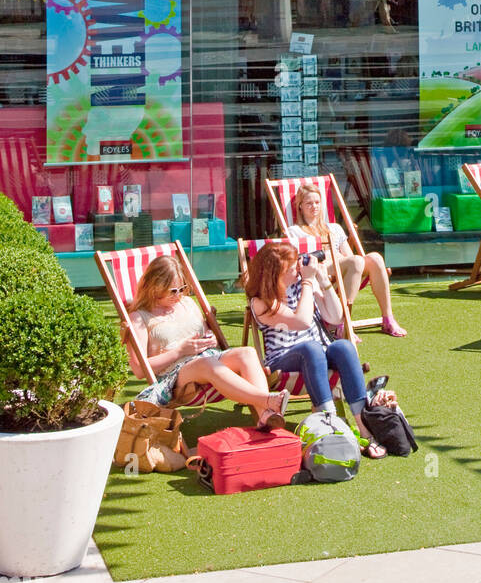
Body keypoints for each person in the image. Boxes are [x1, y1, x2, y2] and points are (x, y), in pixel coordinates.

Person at [245, 239, 387, 457]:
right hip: (283, 358)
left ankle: (364, 426)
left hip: (319, 351)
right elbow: (301, 321)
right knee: (311, 349)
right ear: (276, 273)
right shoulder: (262, 301)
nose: (298, 269)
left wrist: (321, 279)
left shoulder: (302, 283)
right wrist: (309, 283)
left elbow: (336, 316)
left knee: (343, 347)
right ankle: (331, 425)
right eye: (292, 268)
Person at [127, 254, 288, 430]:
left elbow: (204, 333)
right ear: (154, 287)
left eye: (182, 288)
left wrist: (210, 338)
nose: (179, 295)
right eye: (172, 291)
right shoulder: (139, 317)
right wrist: (180, 351)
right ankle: (267, 401)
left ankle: (265, 415)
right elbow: (139, 370)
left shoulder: (187, 303)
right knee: (207, 363)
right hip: (175, 375)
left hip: (207, 357)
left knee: (247, 353)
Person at [290, 182, 407, 337]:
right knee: (356, 262)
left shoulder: (334, 228)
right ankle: (342, 322)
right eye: (309, 203)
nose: (314, 207)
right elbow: (301, 262)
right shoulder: (295, 232)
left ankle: (388, 318)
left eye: (317, 202)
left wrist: (349, 243)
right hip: (322, 274)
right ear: (300, 206)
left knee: (376, 258)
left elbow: (349, 256)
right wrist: (332, 256)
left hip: (345, 269)